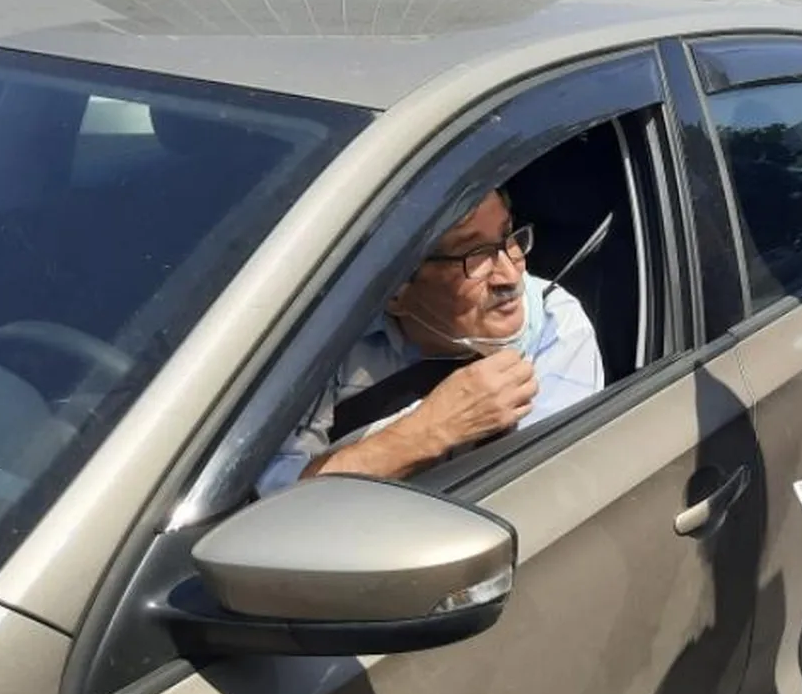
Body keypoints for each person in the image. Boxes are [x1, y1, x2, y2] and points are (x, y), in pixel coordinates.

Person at [257, 188, 604, 494]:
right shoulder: (328, 344)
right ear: (394, 293)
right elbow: (277, 500)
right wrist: (430, 430)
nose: (511, 275)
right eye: (474, 256)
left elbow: (542, 498)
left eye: (508, 237)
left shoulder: (552, 325)